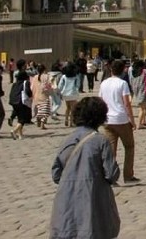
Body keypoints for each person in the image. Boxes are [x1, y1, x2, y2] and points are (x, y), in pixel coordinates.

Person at [49, 97, 121, 239]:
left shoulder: (67, 140)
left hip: (66, 199)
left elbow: (56, 174)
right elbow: (111, 174)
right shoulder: (101, 141)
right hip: (94, 198)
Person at [98, 59, 138, 183]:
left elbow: (101, 100)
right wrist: (132, 120)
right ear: (122, 70)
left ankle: (110, 176)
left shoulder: (104, 83)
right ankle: (128, 175)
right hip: (121, 119)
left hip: (107, 119)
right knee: (129, 146)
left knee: (110, 151)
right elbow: (127, 103)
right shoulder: (122, 83)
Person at [8, 69, 33, 140]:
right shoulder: (26, 82)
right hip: (21, 102)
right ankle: (14, 130)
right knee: (23, 119)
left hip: (14, 102)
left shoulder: (15, 83)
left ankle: (20, 135)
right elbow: (28, 91)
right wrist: (31, 96)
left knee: (19, 118)